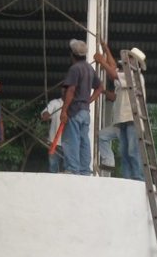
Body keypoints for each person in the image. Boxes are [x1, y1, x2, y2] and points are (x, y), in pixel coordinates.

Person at [95, 42, 145, 181]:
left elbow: (113, 73)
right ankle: (128, 177)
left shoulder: (134, 76)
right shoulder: (126, 76)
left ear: (134, 62)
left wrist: (102, 61)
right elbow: (114, 70)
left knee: (132, 151)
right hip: (123, 119)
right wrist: (107, 50)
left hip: (132, 119)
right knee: (125, 151)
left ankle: (137, 177)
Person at [60, 38, 102, 175]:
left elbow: (71, 90)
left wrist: (64, 110)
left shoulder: (75, 68)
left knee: (71, 140)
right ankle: (85, 170)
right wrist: (89, 101)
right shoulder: (89, 68)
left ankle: (72, 169)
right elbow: (100, 87)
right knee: (84, 140)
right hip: (85, 111)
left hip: (74, 110)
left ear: (72, 54)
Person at [41, 96, 65, 173]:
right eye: (63, 89)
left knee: (68, 170)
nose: (64, 91)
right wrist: (46, 114)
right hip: (54, 142)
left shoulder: (74, 103)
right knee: (53, 169)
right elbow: (45, 113)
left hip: (69, 144)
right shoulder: (55, 102)